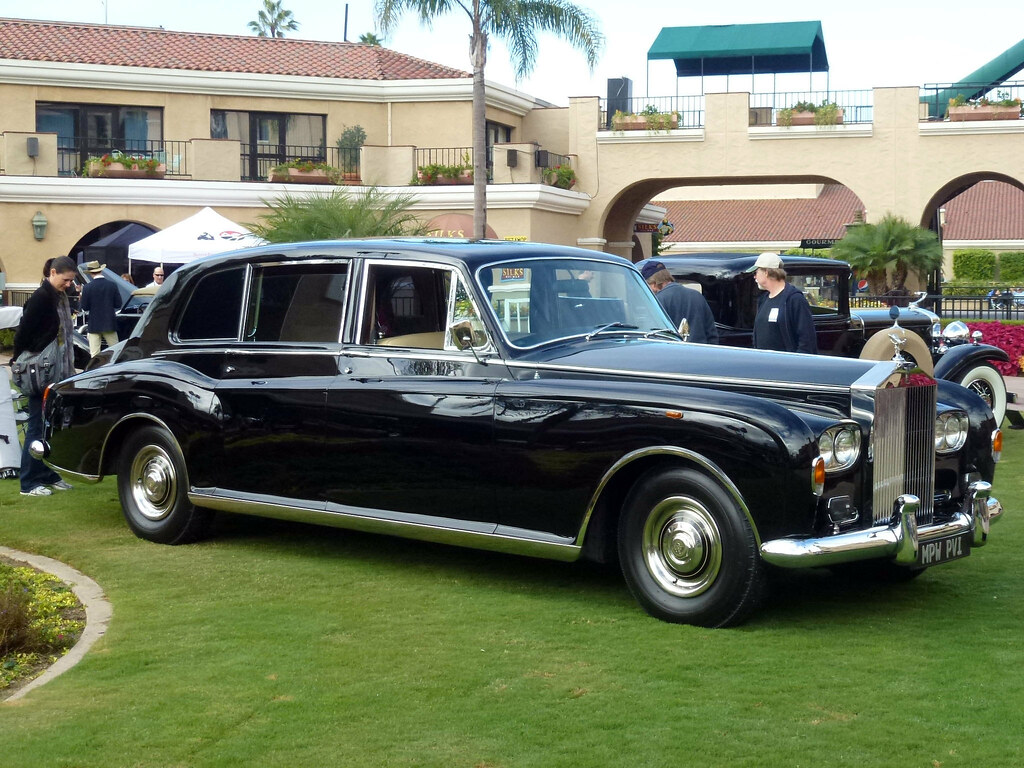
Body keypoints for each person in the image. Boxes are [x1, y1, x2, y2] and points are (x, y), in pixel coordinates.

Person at [12, 255, 78, 496]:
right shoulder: (41, 299)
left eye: (71, 280)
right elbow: (22, 334)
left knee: (50, 426)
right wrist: (20, 360)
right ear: (52, 272)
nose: (68, 284)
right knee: (37, 426)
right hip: (41, 372)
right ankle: (28, 483)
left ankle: (47, 474)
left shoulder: (59, 297)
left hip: (58, 371)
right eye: (65, 279)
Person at [748, 252, 817, 354]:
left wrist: (796, 365)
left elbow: (807, 340)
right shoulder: (763, 299)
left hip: (787, 366)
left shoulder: (795, 299)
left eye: (756, 272)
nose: (754, 277)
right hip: (764, 364)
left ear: (766, 272)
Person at [639, 259, 719, 344]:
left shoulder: (656, 302)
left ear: (654, 284)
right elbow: (712, 335)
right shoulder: (697, 296)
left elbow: (652, 337)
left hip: (672, 354)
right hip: (700, 354)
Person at [79, 260, 121, 356]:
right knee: (115, 352)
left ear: (90, 273)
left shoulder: (87, 288)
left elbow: (84, 307)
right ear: (100, 270)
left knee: (94, 354)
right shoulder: (112, 285)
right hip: (109, 323)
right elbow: (118, 304)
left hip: (94, 324)